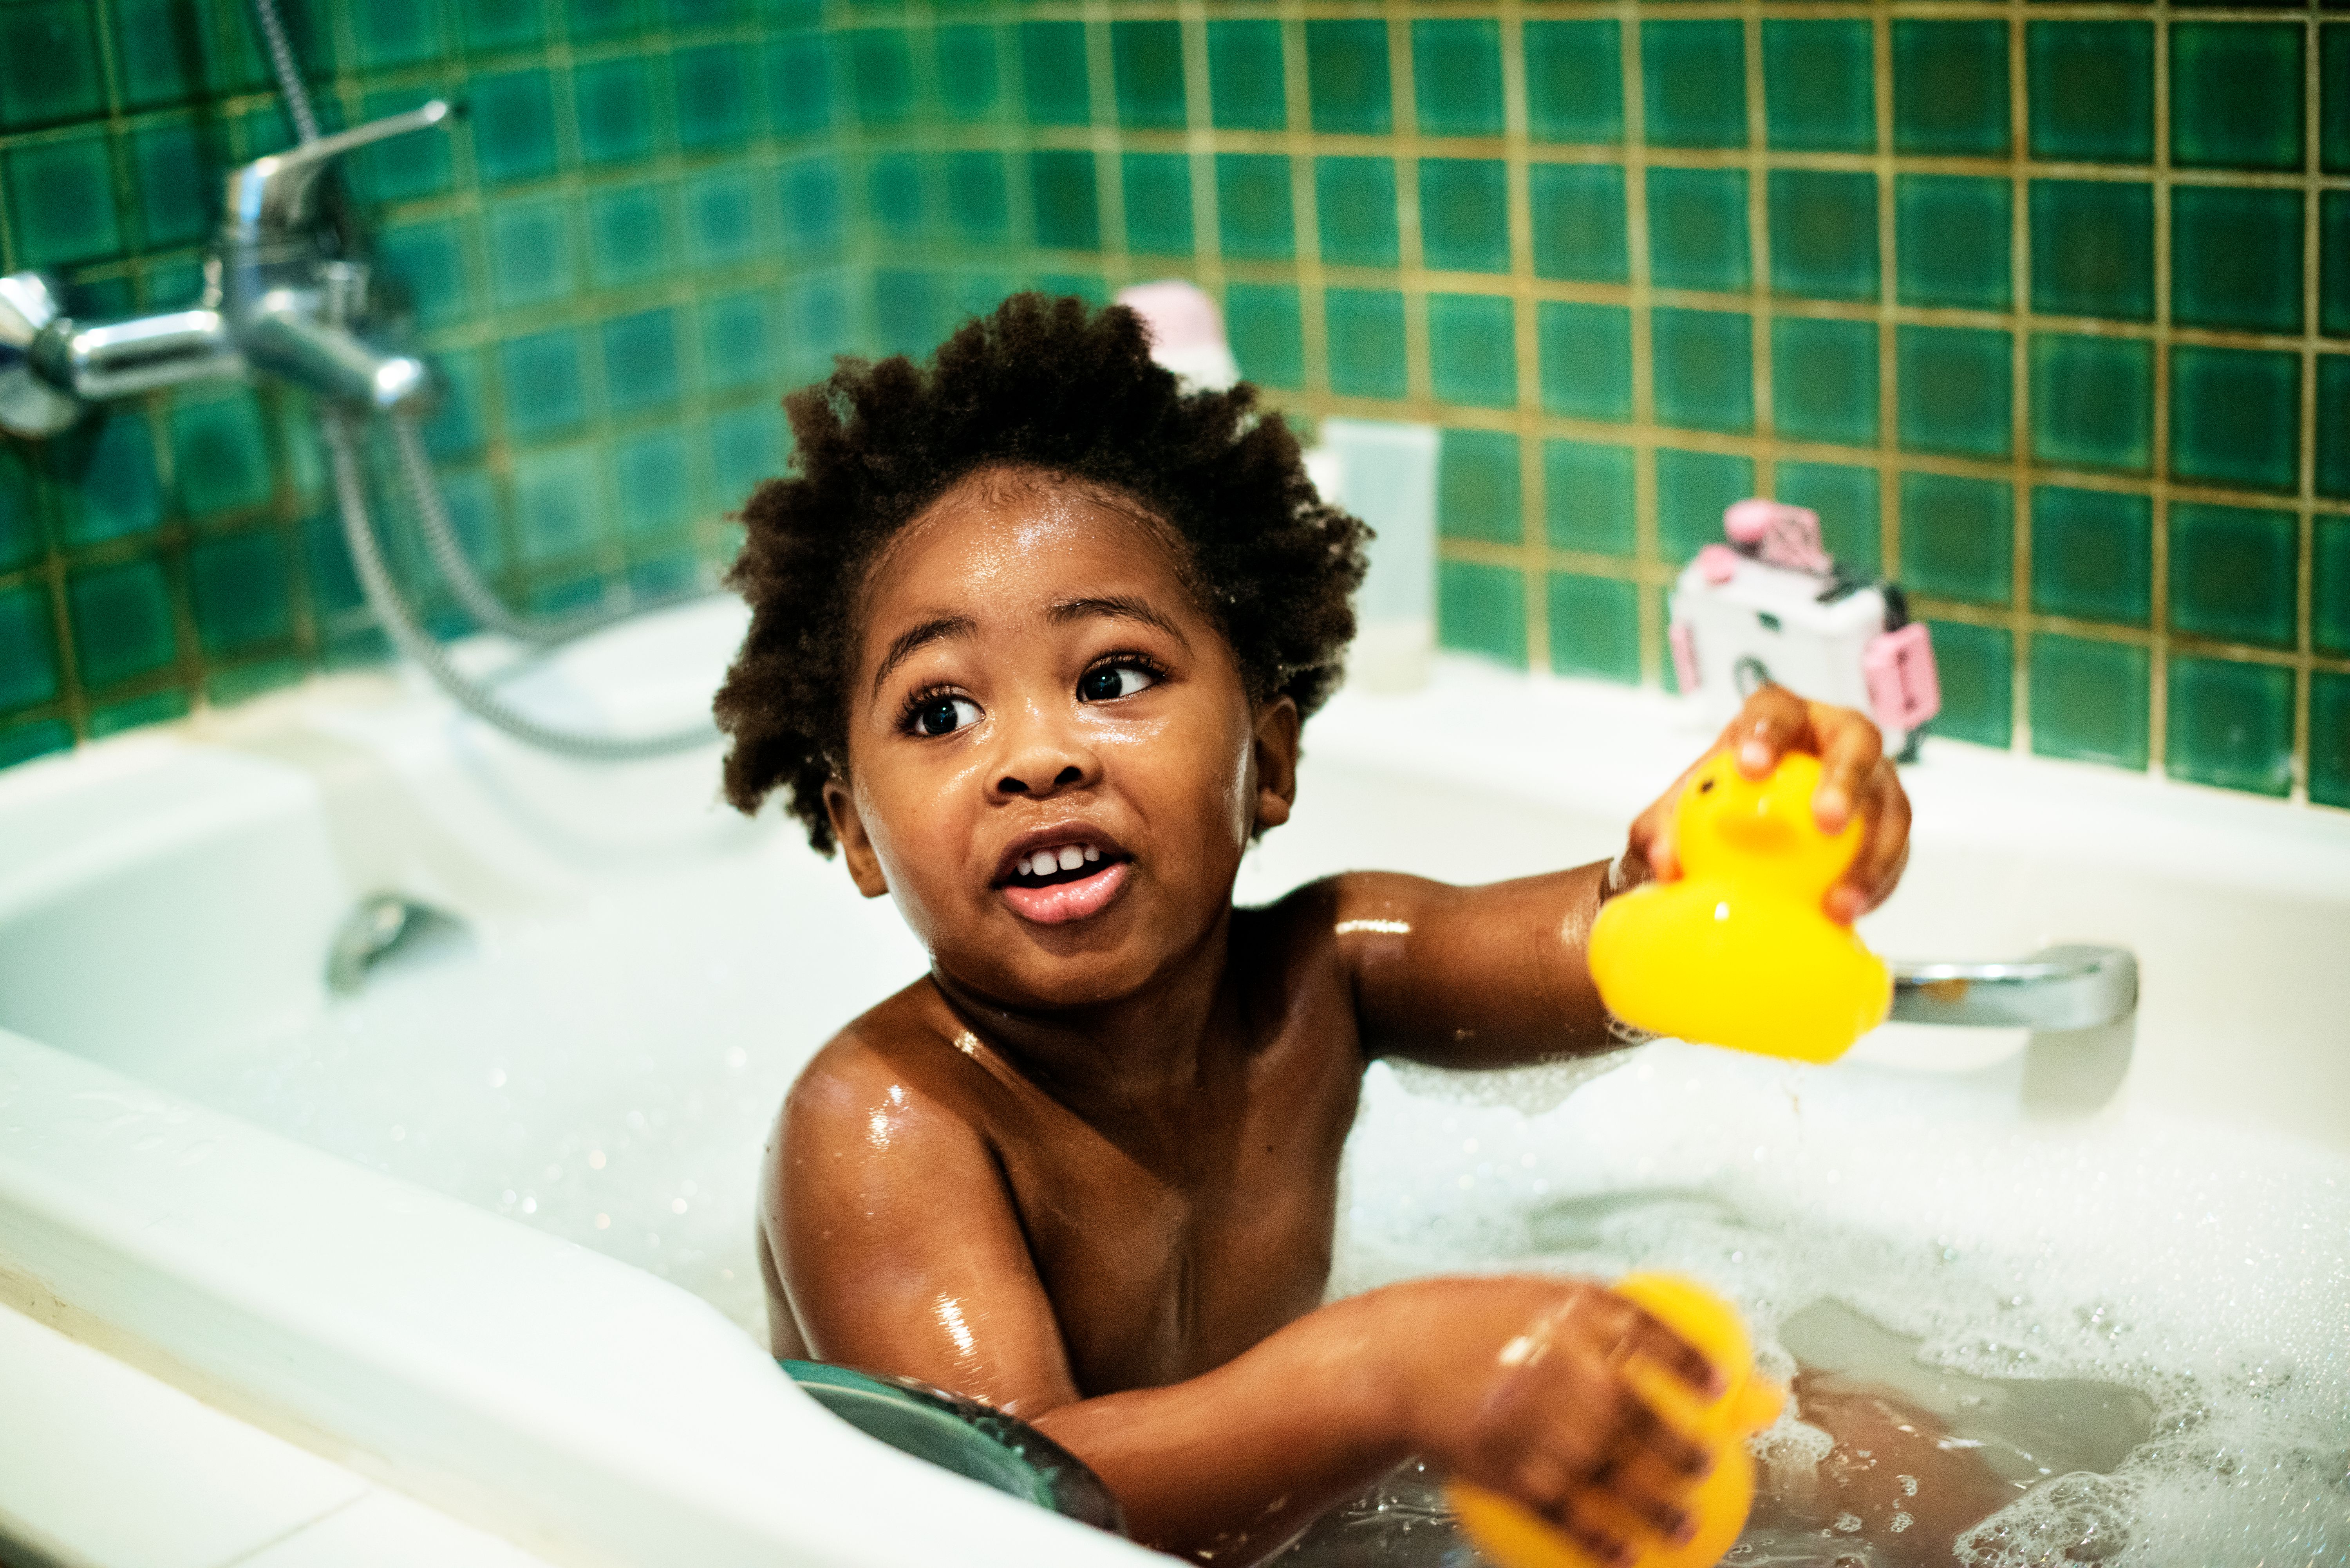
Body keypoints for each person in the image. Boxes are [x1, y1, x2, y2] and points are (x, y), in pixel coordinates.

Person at [716, 294, 1927, 1566]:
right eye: (940, 709)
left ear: (1271, 758)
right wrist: (1388, 1366)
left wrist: (1735, 856)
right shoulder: (884, 1124)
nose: (1037, 757)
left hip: (1273, 1522)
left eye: (1113, 677)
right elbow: (1002, 1506)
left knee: (1852, 1435)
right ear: (855, 833)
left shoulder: (1328, 973)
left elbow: (1617, 937)